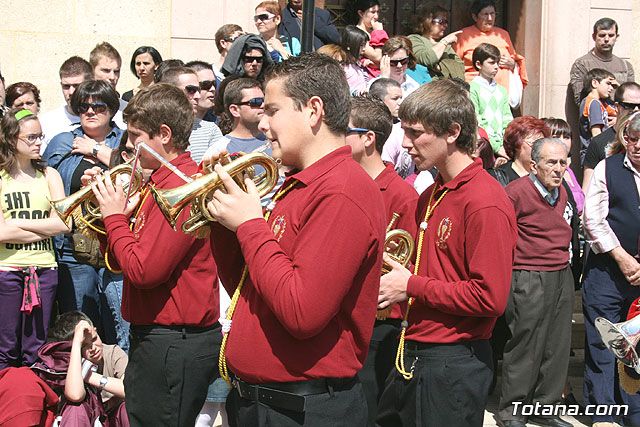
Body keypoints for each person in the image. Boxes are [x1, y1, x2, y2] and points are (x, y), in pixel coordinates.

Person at [205, 52, 385, 427]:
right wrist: (224, 219)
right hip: (265, 404)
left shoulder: (341, 191)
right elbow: (249, 285)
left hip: (302, 409)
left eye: (272, 110)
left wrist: (251, 225)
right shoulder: (300, 183)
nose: (263, 123)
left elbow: (302, 312)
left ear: (313, 110)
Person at [375, 78, 517, 427]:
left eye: (415, 133)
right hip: (413, 351)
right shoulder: (432, 192)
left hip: (452, 362)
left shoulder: (484, 200)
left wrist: (411, 286)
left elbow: (490, 298)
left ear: (453, 132)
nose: (405, 143)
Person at [84, 83, 222, 426]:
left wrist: (115, 216)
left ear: (164, 134)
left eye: (136, 136)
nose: (129, 146)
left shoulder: (181, 187)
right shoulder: (157, 184)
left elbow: (144, 271)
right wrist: (111, 221)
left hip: (173, 342)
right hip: (158, 339)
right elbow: (121, 261)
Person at [347, 95, 418, 426]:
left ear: (367, 139)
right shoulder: (343, 185)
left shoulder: (402, 195)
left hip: (381, 326)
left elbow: (407, 266)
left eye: (342, 130)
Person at [498, 138, 574, 427]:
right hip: (528, 275)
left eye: (563, 163)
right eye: (551, 163)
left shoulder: (562, 191)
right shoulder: (516, 193)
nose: (558, 169)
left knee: (556, 344)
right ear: (534, 165)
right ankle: (512, 412)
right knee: (526, 344)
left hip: (560, 273)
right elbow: (502, 236)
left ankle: (546, 408)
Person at [43, 80, 124, 331]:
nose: (90, 111)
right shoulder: (63, 142)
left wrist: (97, 150)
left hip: (115, 244)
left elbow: (137, 170)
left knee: (118, 324)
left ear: (111, 109)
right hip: (72, 248)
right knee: (80, 323)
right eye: (83, 106)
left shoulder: (125, 139)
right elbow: (45, 186)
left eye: (98, 106)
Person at [0, 109, 70, 371]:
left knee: (36, 348)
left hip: (44, 270)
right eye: (30, 137)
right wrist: (45, 228)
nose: (39, 142)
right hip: (7, 271)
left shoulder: (49, 175)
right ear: (10, 138)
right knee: (5, 348)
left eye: (40, 136)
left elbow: (64, 223)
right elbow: (1, 234)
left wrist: (15, 223)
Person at [582, 112, 640, 427]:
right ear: (625, 139)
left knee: (636, 346)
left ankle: (633, 413)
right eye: (633, 139)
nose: (638, 146)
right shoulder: (608, 168)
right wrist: (621, 256)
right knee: (603, 343)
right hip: (607, 272)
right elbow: (592, 219)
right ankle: (602, 413)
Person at [46, 310, 128, 425]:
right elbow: (76, 395)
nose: (93, 348)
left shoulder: (113, 353)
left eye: (94, 339)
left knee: (127, 408)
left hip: (113, 419)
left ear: (95, 330)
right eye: (84, 345)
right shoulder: (65, 365)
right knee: (76, 408)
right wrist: (76, 344)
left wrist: (90, 376)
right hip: (87, 420)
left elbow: (130, 389)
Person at [454, 0, 527, 106]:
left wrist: (512, 64)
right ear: (475, 17)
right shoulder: (463, 35)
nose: (490, 18)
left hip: (501, 92)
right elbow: (455, 65)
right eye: (485, 14)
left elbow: (514, 59)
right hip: (473, 93)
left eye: (492, 14)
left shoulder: (503, 34)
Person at [159, 66, 224, 164]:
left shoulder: (211, 130)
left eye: (199, 90)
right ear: (170, 92)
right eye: (191, 90)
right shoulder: (149, 128)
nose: (198, 96)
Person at [583, 81, 640, 189]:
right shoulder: (599, 142)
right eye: (629, 106)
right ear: (617, 107)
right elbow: (587, 189)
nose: (636, 110)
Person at [569, 17, 635, 106]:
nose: (607, 39)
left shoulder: (626, 66)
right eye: (602, 35)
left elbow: (632, 100)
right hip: (596, 118)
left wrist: (619, 88)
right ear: (594, 37)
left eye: (611, 35)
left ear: (617, 37)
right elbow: (580, 100)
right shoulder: (582, 64)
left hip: (621, 118)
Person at [38, 56, 93, 154]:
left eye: (76, 86)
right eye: (66, 86)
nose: (71, 92)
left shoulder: (105, 118)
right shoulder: (46, 122)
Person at [470, 43, 512, 161]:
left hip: (503, 148)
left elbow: (507, 119)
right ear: (478, 64)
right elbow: (477, 120)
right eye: (491, 62)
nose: (496, 67)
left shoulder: (501, 90)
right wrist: (497, 147)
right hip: (483, 148)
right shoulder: (473, 88)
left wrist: (506, 144)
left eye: (498, 63)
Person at [372, 78, 415, 179]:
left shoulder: (404, 128)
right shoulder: (382, 133)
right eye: (395, 99)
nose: (401, 102)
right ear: (379, 100)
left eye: (401, 98)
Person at [488, 116, 550, 187]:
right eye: (534, 144)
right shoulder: (498, 177)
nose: (538, 149)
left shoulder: (549, 175)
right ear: (516, 144)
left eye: (541, 145)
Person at [408, 5, 464, 81]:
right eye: (442, 22)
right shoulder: (414, 39)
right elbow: (426, 59)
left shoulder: (446, 46)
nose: (446, 25)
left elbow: (460, 67)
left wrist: (440, 67)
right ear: (428, 21)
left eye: (446, 22)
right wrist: (445, 41)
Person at [544, 117, 585, 214]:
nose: (562, 141)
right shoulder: (546, 171)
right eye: (556, 137)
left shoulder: (568, 171)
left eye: (566, 137)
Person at [579, 68, 615, 161]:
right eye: (608, 84)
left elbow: (622, 111)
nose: (611, 88)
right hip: (596, 154)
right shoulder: (593, 103)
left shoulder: (600, 103)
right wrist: (602, 155)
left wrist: (619, 87)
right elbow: (596, 134)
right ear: (594, 83)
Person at [89, 42, 127, 129]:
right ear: (91, 70)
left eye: (116, 71)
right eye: (106, 70)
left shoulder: (128, 110)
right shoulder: (81, 109)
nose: (112, 77)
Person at [341, 25, 370, 95]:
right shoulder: (343, 68)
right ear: (348, 46)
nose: (364, 49)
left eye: (364, 45)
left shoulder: (358, 65)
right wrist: (357, 93)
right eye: (360, 46)